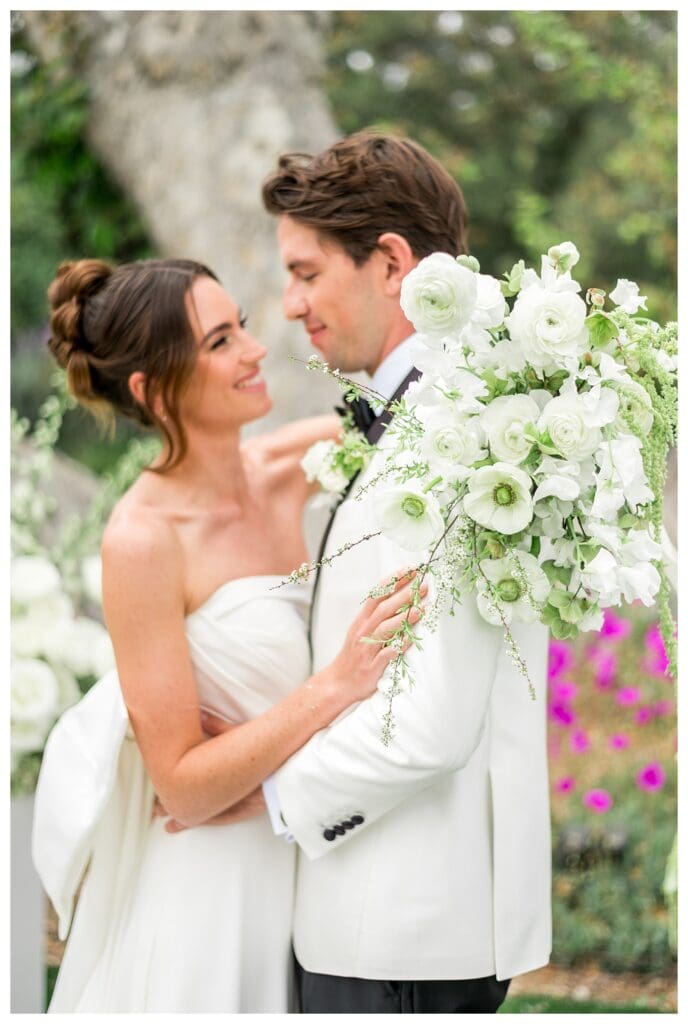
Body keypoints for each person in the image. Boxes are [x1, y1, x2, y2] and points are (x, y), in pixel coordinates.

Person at [31, 256, 424, 1013]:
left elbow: (421, 416)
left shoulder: (295, 462)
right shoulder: (143, 540)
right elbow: (181, 784)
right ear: (152, 389)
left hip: (303, 874)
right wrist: (336, 685)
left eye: (239, 326)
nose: (255, 349)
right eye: (219, 343)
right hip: (203, 892)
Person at [253, 131, 552, 1013]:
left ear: (389, 262)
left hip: (400, 925)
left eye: (306, 274)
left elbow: (428, 723)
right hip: (392, 918)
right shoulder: (440, 412)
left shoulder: (460, 436)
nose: (289, 306)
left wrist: (264, 795)